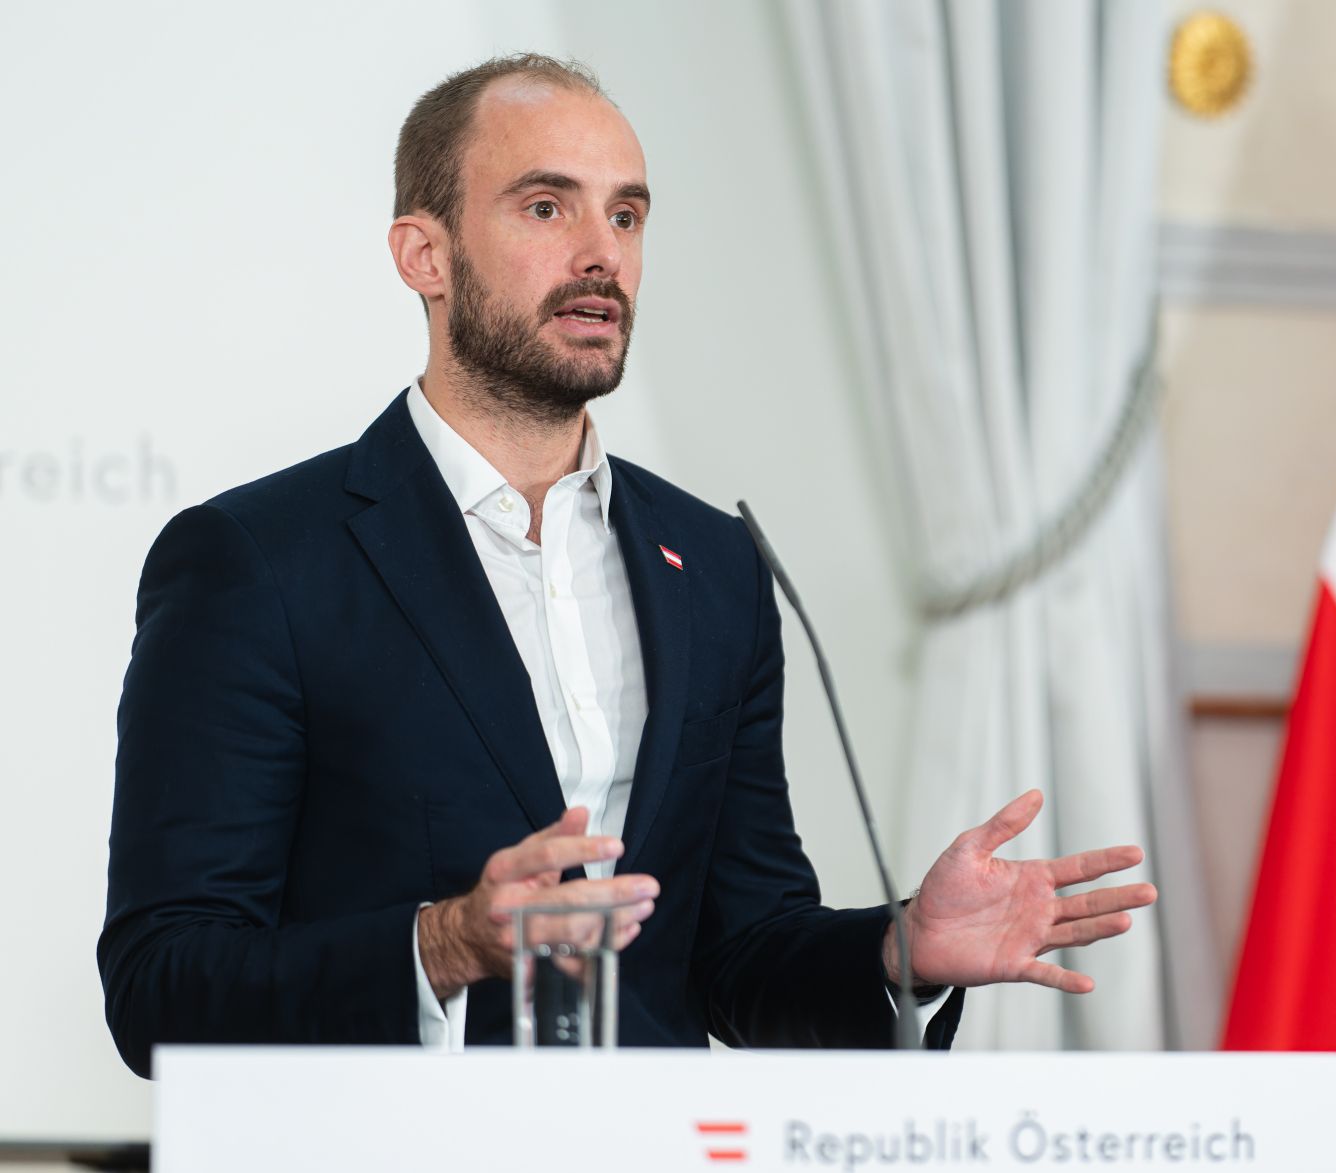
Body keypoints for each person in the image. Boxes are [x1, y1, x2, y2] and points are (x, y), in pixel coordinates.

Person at [97, 54, 1156, 1076]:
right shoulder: (257, 562)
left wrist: (897, 953)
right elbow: (161, 988)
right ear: (424, 255)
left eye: (626, 214)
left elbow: (736, 957)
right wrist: (444, 944)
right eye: (546, 207)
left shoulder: (716, 568)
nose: (600, 253)